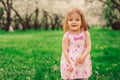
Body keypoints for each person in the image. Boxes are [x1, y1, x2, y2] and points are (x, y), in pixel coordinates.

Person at [60, 8, 92, 80]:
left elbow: (88, 46)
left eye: (77, 20)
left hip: (82, 59)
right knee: (70, 75)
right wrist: (69, 63)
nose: (73, 22)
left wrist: (83, 56)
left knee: (81, 75)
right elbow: (65, 50)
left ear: (82, 21)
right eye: (70, 20)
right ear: (67, 22)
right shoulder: (66, 36)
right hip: (69, 60)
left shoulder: (85, 33)